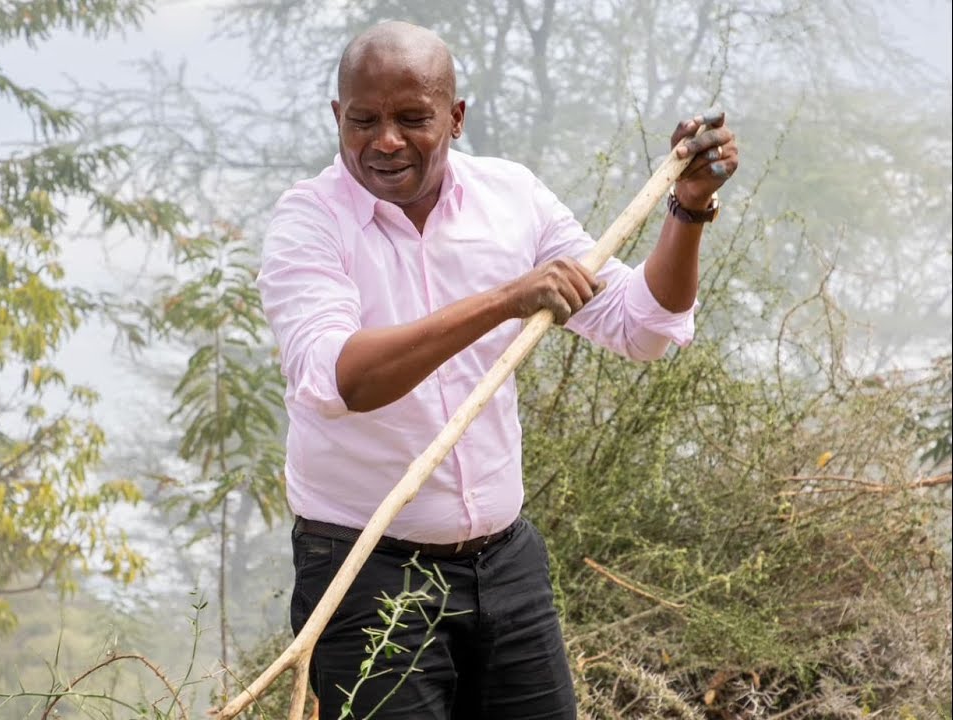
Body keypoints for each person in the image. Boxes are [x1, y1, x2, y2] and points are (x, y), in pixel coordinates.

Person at [256, 20, 738, 720]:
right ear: (338, 117)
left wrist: (687, 208)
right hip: (365, 574)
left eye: (413, 119)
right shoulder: (308, 222)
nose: (385, 141)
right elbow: (343, 379)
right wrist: (505, 300)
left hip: (507, 567)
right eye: (363, 121)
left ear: (455, 118)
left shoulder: (512, 197)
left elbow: (641, 327)